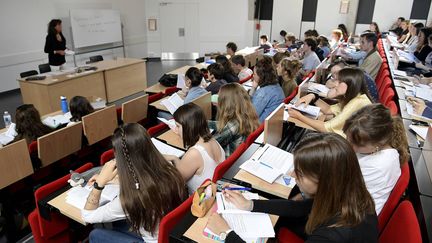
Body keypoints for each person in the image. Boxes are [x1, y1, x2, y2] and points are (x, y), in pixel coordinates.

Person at [207, 133, 378, 242]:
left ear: (325, 180)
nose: (292, 175)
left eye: (300, 173)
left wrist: (226, 234)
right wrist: (250, 205)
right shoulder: (348, 193)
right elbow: (300, 208)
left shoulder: (332, 236)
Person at [83, 123, 186, 242]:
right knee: (118, 224)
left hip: (151, 239)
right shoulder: (169, 169)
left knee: (95, 234)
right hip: (167, 233)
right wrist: (111, 180)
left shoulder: (129, 200)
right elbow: (143, 179)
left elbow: (87, 216)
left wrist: (99, 184)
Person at [343, 104, 409, 215]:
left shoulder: (377, 166)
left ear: (377, 145)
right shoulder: (375, 148)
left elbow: (346, 195)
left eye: (356, 144)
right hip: (351, 202)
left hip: (355, 215)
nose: (350, 146)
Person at [289, 68, 372, 137]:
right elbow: (328, 110)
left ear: (350, 84)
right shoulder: (354, 96)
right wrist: (313, 97)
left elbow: (327, 128)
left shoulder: (357, 102)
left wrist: (298, 116)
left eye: (339, 82)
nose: (335, 84)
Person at [165, 103, 225, 194]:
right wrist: (175, 158)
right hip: (214, 191)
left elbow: (177, 182)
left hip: (198, 202)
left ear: (189, 127)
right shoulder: (213, 140)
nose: (175, 130)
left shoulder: (195, 153)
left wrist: (172, 160)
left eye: (177, 126)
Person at [208, 83, 259, 158]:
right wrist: (204, 123)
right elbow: (223, 125)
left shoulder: (233, 125)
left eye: (219, 98)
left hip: (225, 159)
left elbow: (209, 145)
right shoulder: (245, 116)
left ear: (226, 103)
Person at [249, 58, 285, 123]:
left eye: (254, 74)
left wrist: (253, 88)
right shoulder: (276, 85)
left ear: (261, 76)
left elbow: (250, 116)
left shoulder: (262, 93)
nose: (253, 76)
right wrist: (254, 87)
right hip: (273, 124)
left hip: (258, 127)